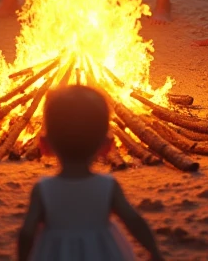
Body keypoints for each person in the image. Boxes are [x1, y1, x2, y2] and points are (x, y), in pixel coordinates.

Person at [17, 84, 163, 261]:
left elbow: (27, 233)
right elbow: (133, 221)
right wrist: (153, 250)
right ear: (107, 146)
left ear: (44, 145)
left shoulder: (43, 189)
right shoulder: (108, 186)